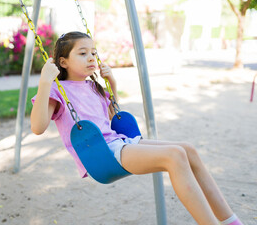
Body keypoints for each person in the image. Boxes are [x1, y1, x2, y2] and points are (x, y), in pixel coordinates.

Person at [30, 31, 243, 225]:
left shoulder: (93, 86)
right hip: (103, 154)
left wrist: (111, 83)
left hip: (120, 143)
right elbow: (38, 127)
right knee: (175, 155)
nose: (92, 58)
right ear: (63, 62)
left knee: (188, 149)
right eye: (83, 53)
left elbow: (113, 117)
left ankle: (231, 221)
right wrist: (45, 83)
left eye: (94, 53)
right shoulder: (58, 91)